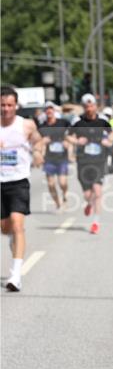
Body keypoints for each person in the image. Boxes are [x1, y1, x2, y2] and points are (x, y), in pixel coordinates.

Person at [1, 87, 44, 291]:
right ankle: (11, 236)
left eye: (10, 105)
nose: (6, 109)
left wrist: (38, 152)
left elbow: (38, 140)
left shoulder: (26, 125)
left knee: (18, 225)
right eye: (2, 105)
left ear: (16, 106)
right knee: (5, 228)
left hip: (19, 181)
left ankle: (15, 275)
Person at [67, 94, 113, 235]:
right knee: (88, 195)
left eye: (91, 106)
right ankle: (89, 203)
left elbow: (112, 133)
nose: (89, 109)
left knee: (98, 192)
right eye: (86, 106)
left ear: (96, 106)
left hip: (99, 161)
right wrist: (76, 141)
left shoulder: (103, 120)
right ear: (83, 107)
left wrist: (109, 141)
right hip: (83, 161)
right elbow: (68, 135)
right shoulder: (77, 121)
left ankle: (95, 223)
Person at [38, 102, 71, 211]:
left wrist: (68, 142)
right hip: (48, 158)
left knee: (62, 182)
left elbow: (73, 133)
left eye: (51, 108)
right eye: (47, 109)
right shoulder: (42, 126)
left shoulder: (63, 122)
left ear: (54, 110)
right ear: (45, 112)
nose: (49, 111)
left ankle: (64, 195)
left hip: (62, 157)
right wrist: (42, 142)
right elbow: (37, 141)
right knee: (51, 184)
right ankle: (58, 203)